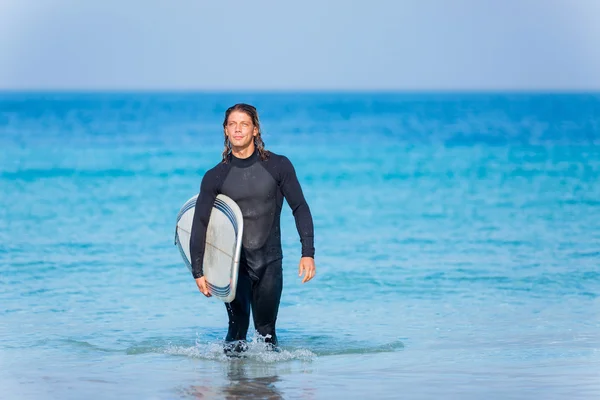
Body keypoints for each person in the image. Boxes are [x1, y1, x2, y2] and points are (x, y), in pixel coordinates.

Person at [189, 103, 316, 354]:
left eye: (244, 124)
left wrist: (307, 252)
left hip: (269, 262)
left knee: (266, 333)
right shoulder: (214, 176)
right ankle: (233, 389)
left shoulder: (278, 166)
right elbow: (200, 223)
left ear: (255, 130)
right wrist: (198, 270)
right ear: (225, 130)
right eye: (232, 124)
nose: (238, 129)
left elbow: (300, 207)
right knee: (236, 332)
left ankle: (267, 390)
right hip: (234, 267)